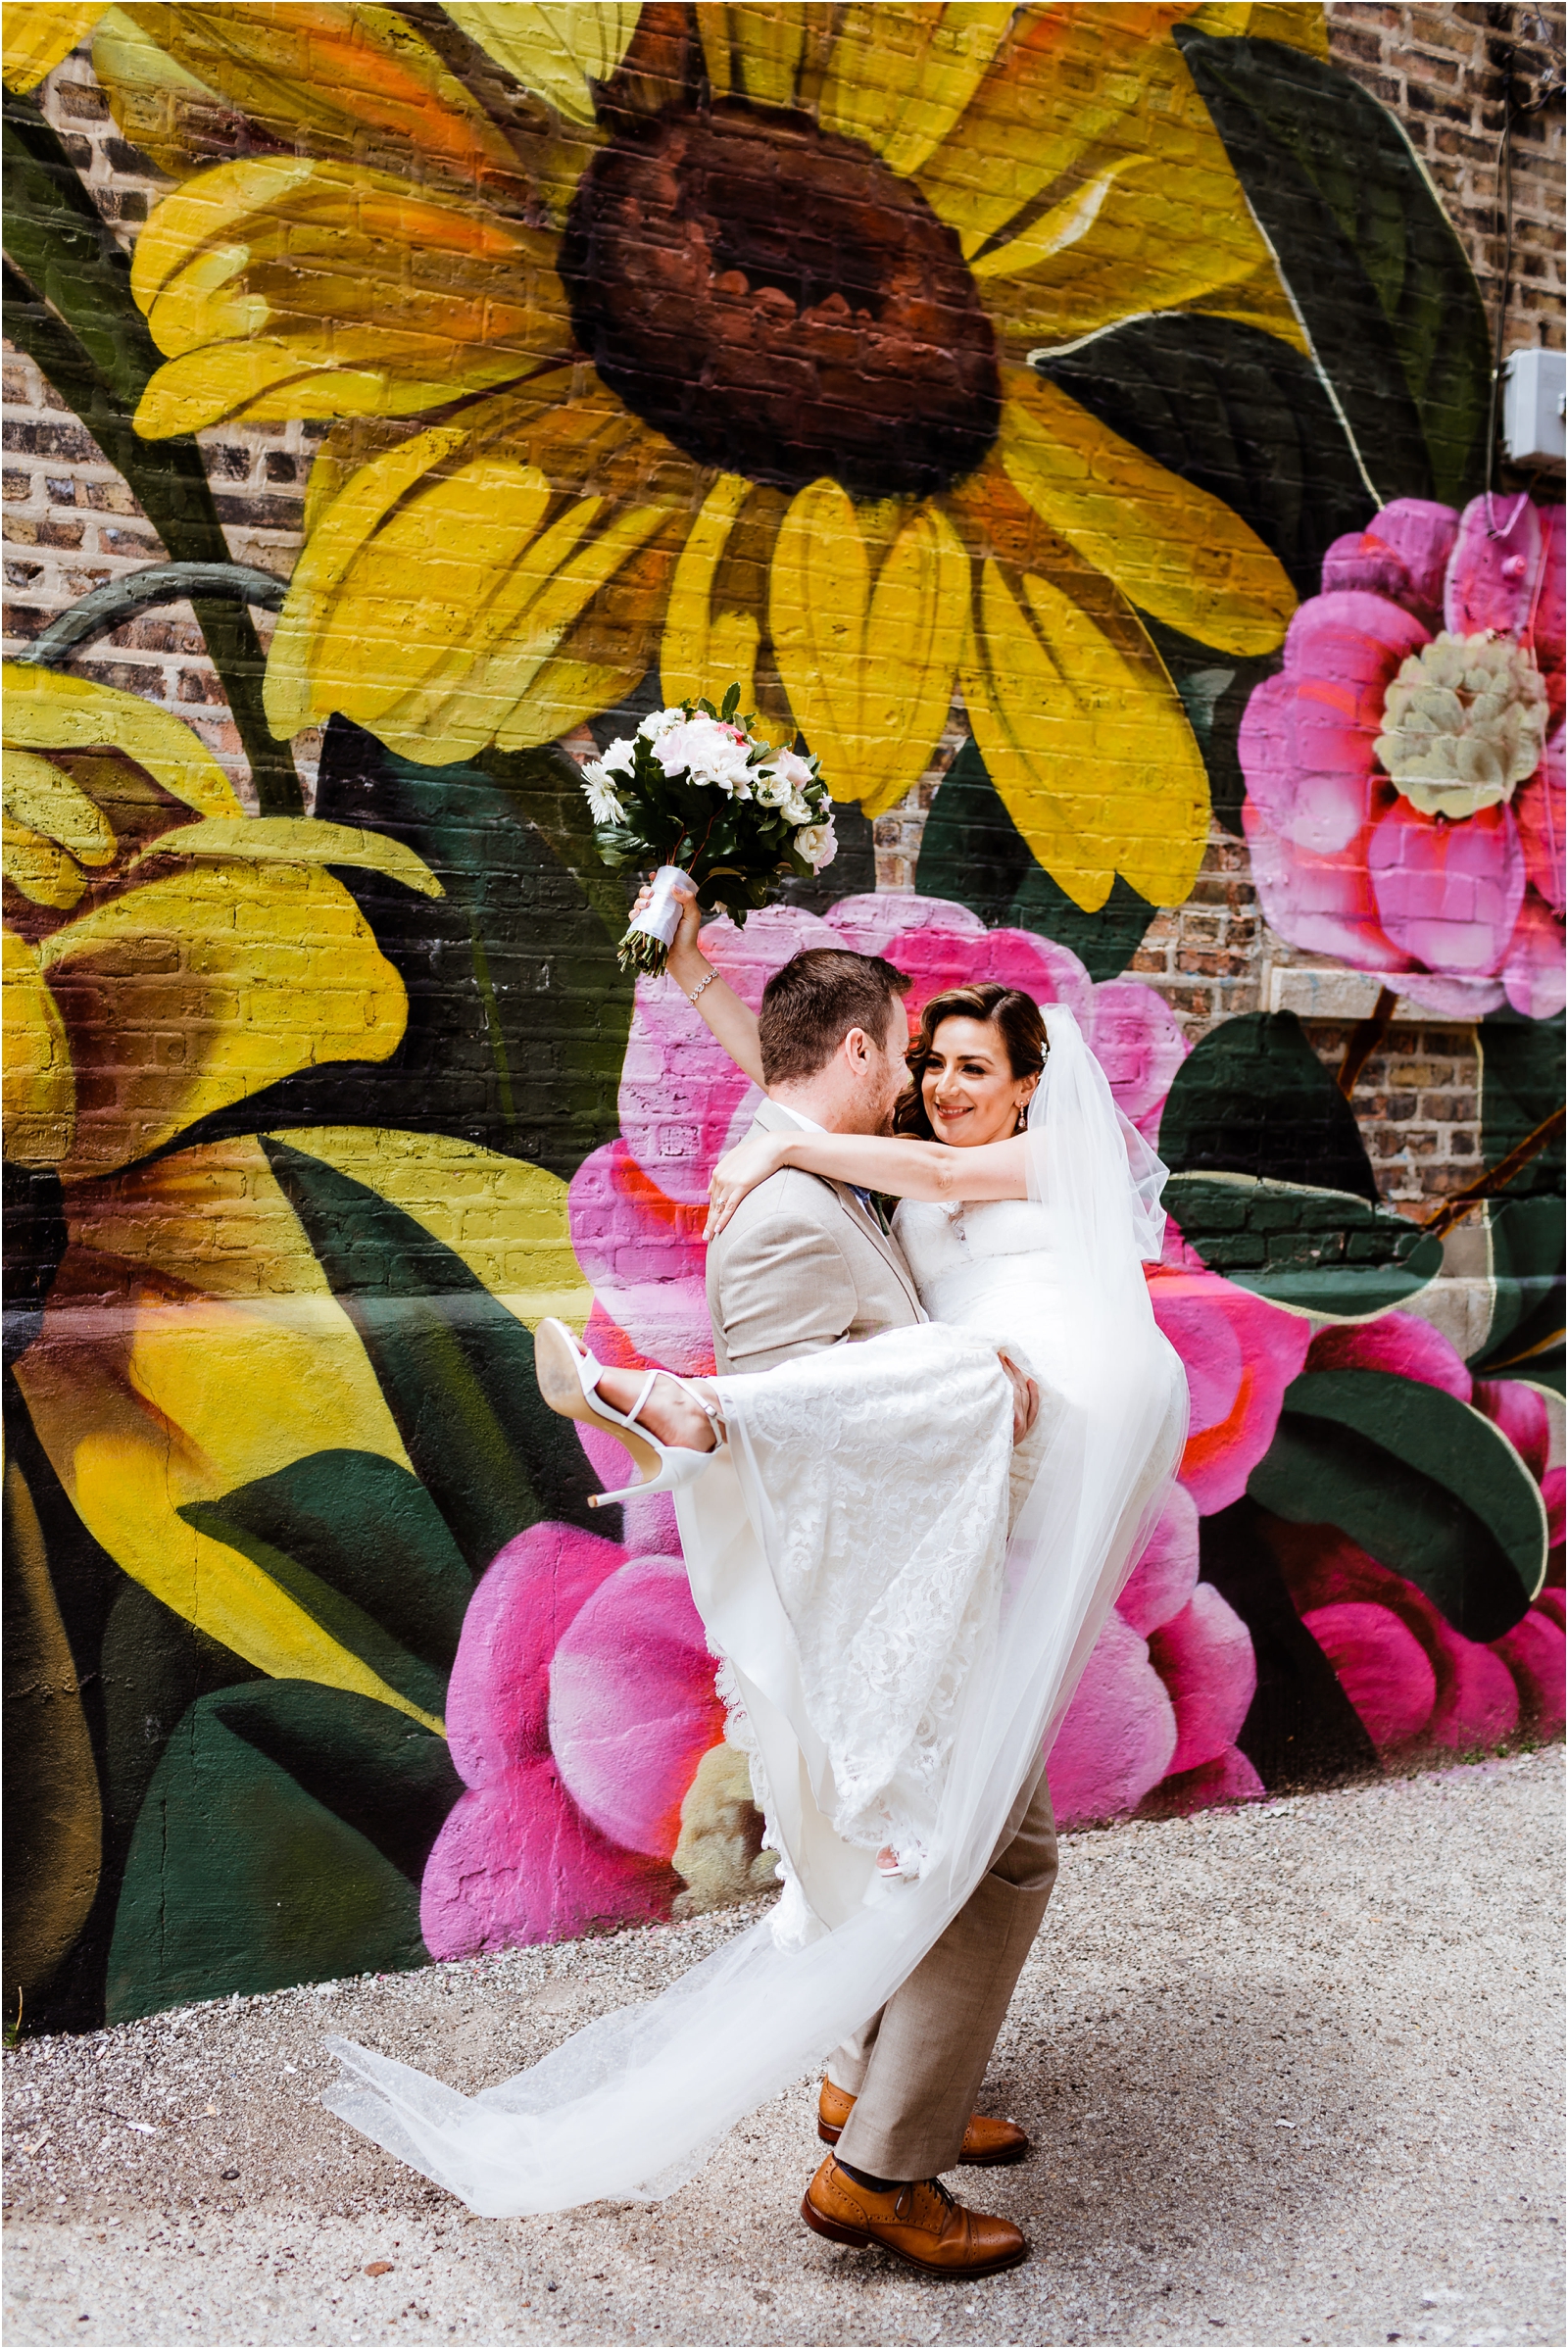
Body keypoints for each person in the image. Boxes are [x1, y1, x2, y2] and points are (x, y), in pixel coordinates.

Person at [323, 891, 1186, 2277]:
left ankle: (878, 2089)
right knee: (992, 1850)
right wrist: (781, 1151)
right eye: (921, 1054)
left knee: (951, 1841)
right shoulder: (812, 1195)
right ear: (870, 1051)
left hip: (973, 1529)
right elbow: (820, 1385)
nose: (930, 1080)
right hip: (904, 1565)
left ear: (1031, 1087)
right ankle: (882, 2169)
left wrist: (761, 1097)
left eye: (967, 1065)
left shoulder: (893, 1159)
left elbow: (805, 1086)